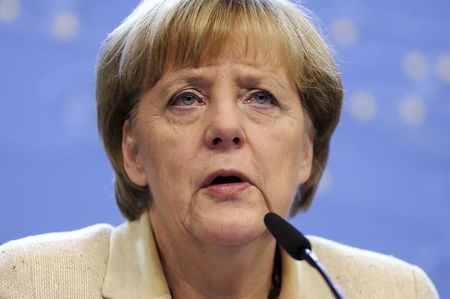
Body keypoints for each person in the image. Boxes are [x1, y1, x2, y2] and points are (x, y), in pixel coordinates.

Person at [0, 0, 439, 298]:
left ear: (306, 150)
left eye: (260, 97)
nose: (226, 127)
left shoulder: (393, 291)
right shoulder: (29, 283)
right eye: (186, 98)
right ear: (134, 152)